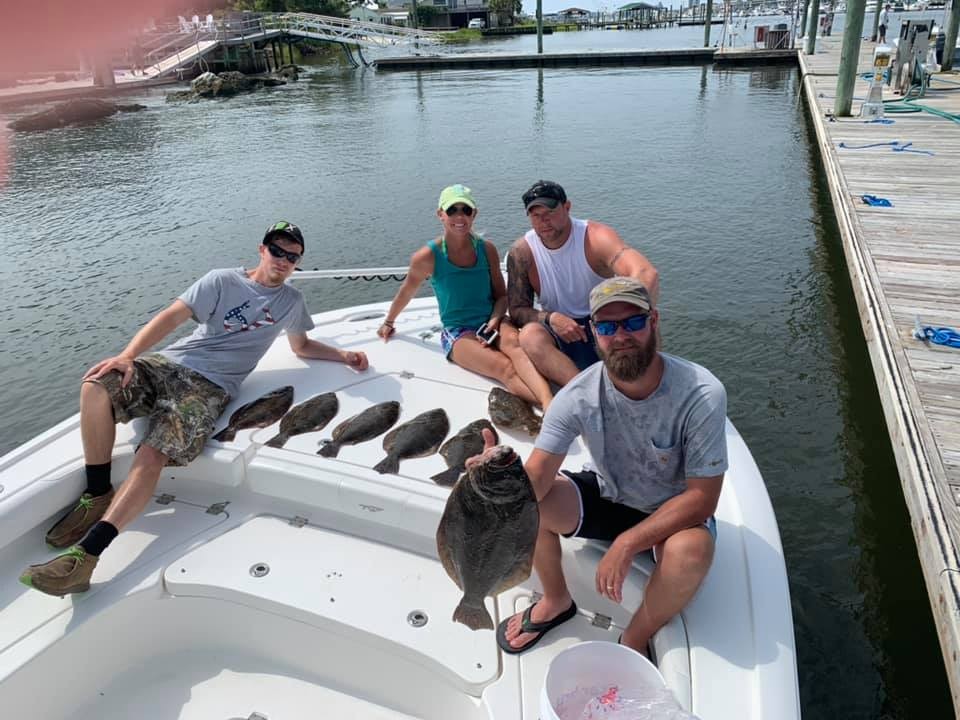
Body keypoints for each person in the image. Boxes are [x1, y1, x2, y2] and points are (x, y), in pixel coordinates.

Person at [20, 222, 369, 596]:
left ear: (298, 263)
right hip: (169, 364)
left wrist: (343, 355)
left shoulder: (291, 303)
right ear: (261, 249)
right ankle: (99, 491)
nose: (283, 260)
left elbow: (301, 346)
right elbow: (170, 317)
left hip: (209, 388)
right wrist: (126, 356)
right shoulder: (221, 281)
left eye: (293, 256)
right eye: (277, 250)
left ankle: (85, 557)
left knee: (152, 452)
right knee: (94, 386)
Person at [495, 276, 726, 657]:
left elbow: (703, 500)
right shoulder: (576, 396)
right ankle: (555, 600)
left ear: (653, 322)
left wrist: (629, 542)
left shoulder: (700, 393)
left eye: (632, 322)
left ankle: (634, 638)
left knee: (692, 553)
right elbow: (535, 479)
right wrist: (491, 481)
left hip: (673, 510)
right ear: (593, 333)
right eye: (606, 326)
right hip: (609, 494)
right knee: (526, 504)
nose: (620, 336)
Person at [378, 184, 552, 409]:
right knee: (505, 367)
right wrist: (388, 322)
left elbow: (502, 296)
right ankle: (553, 406)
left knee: (516, 348)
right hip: (458, 331)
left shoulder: (486, 249)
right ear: (440, 214)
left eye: (466, 210)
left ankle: (552, 404)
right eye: (452, 210)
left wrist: (495, 319)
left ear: (474, 214)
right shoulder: (427, 257)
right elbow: (406, 292)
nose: (459, 216)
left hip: (492, 320)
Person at [506, 180, 659, 389]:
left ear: (567, 207)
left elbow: (645, 272)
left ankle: (643, 382)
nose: (544, 221)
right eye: (536, 215)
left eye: (550, 212)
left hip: (604, 322)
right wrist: (551, 318)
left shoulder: (595, 237)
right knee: (530, 336)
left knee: (645, 322)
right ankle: (585, 392)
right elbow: (516, 310)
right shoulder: (522, 252)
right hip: (561, 329)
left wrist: (627, 315)